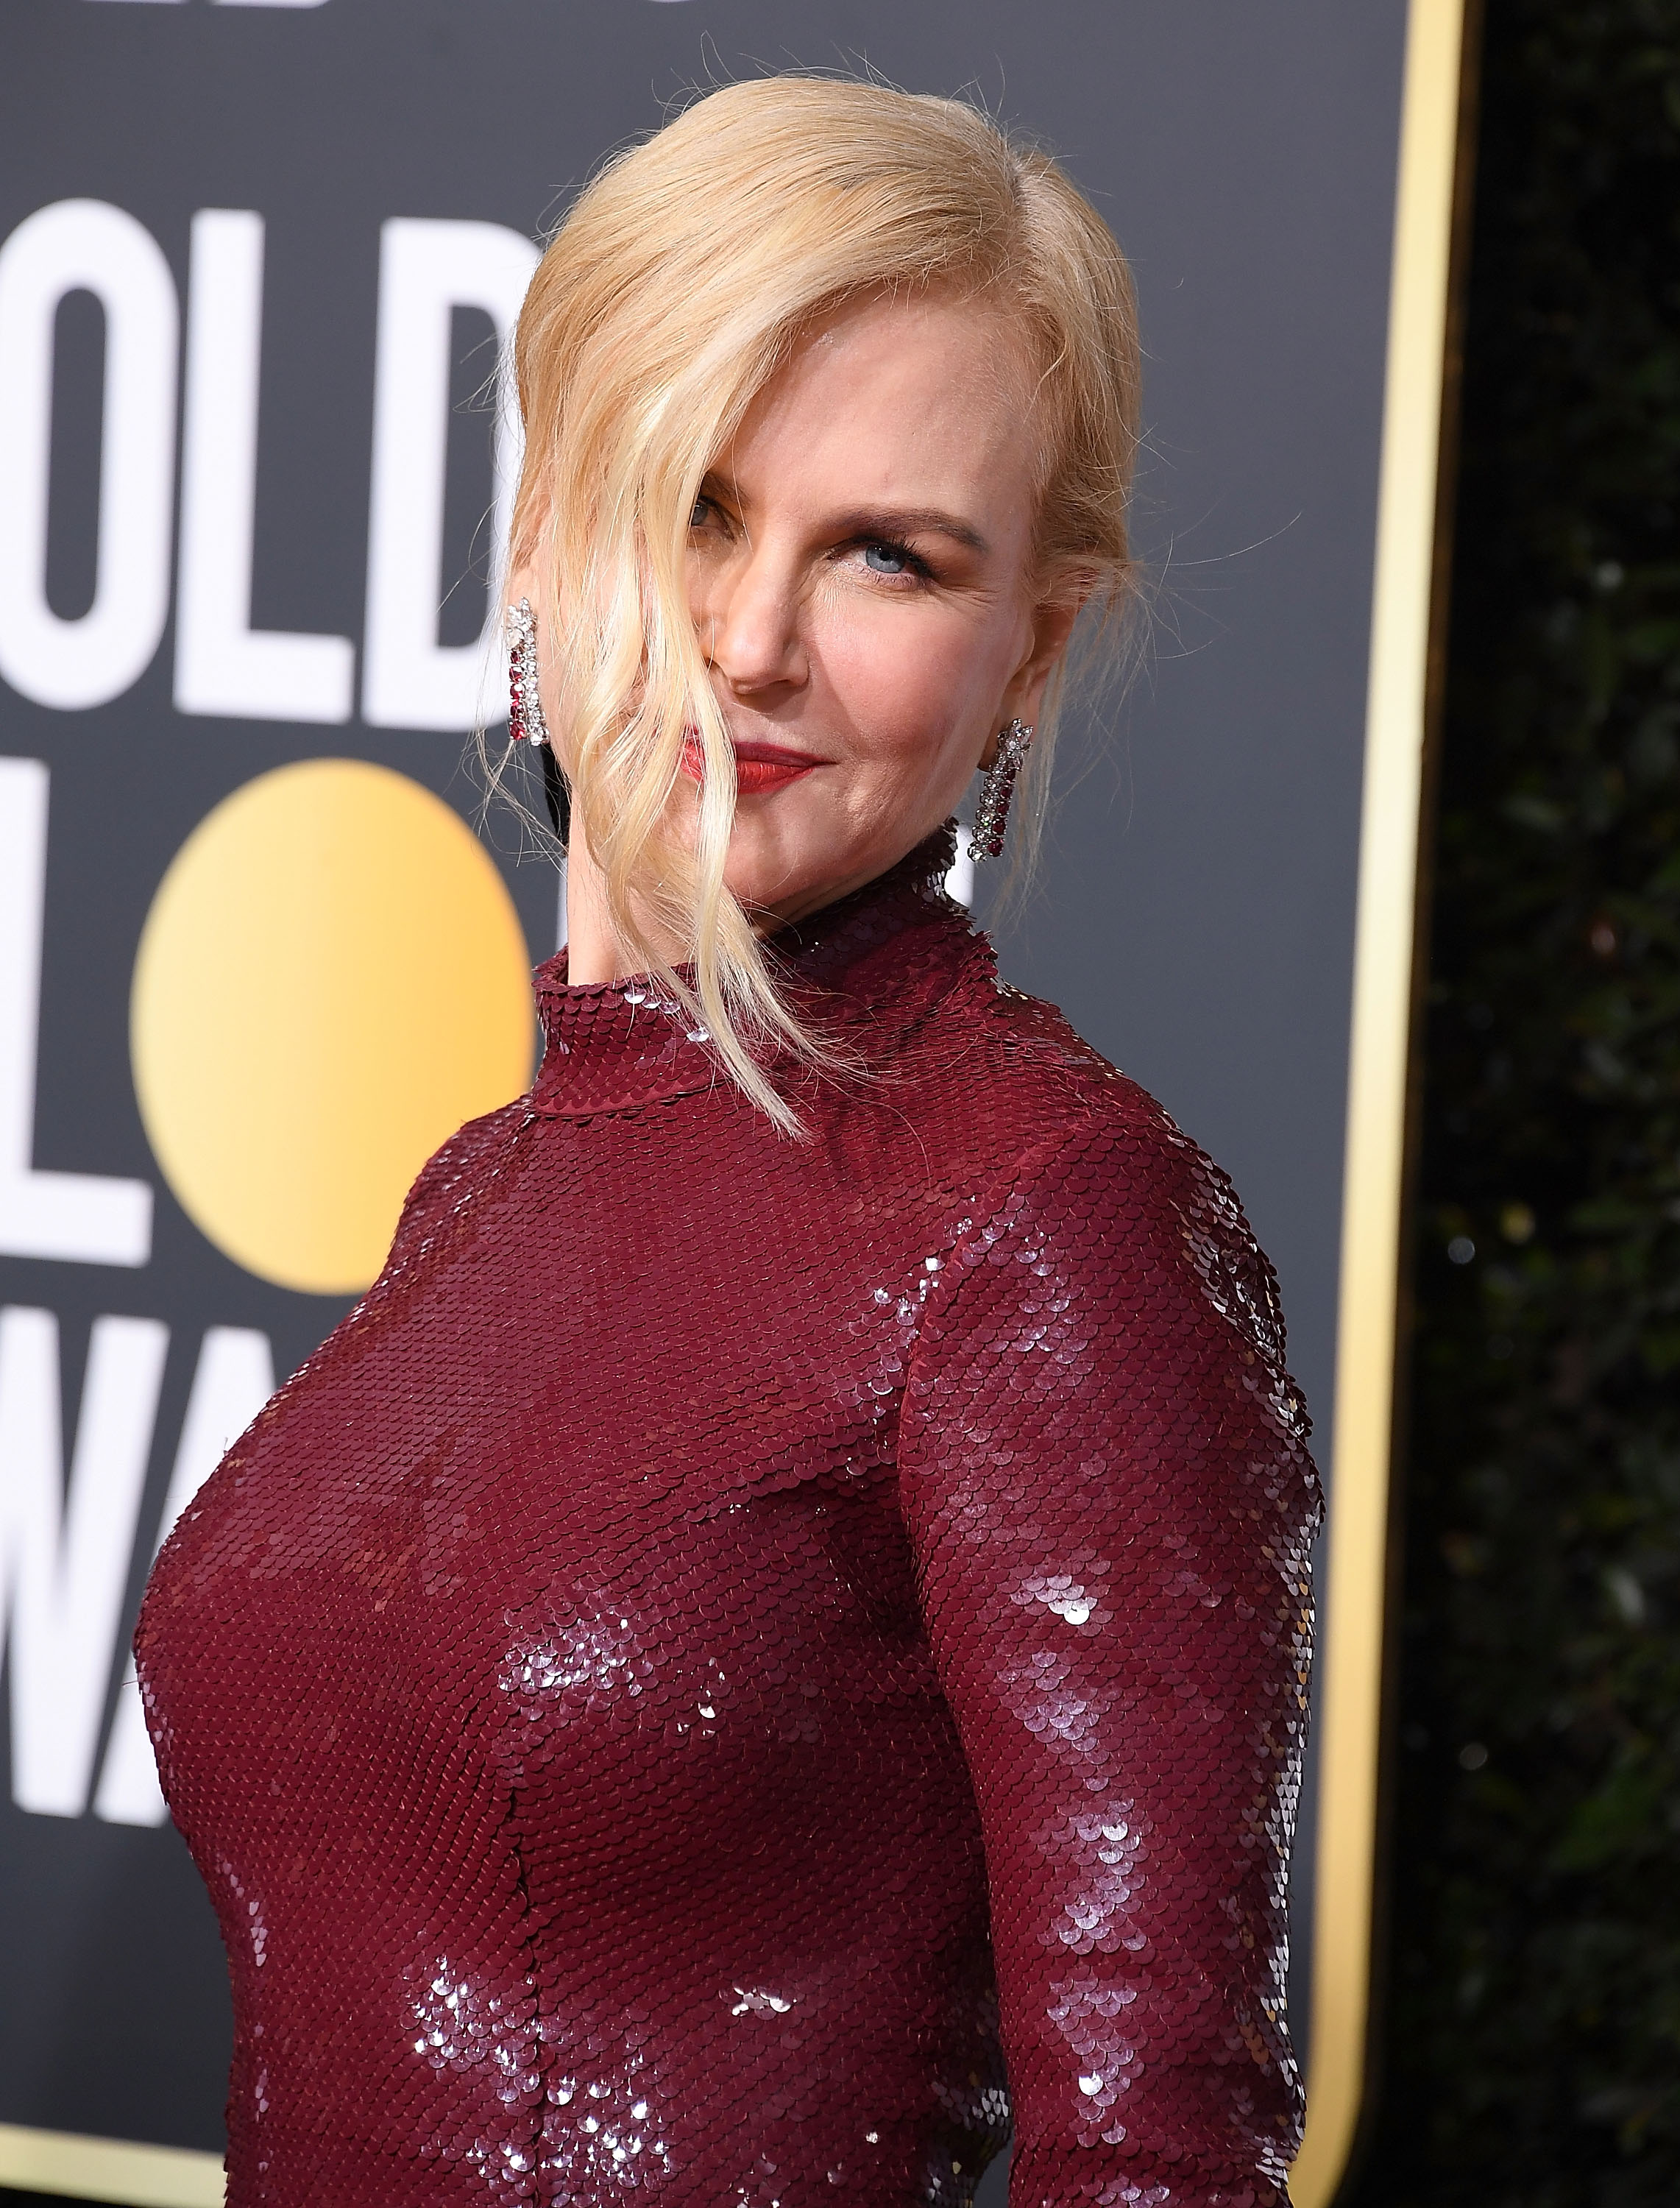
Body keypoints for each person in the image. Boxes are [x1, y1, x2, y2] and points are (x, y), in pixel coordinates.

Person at [135, 76, 1322, 2208]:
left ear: (1030, 647)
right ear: (538, 526)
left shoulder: (1047, 1221)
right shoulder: (484, 1190)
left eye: (887, 555)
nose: (751, 641)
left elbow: (1158, 2156)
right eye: (690, 503)